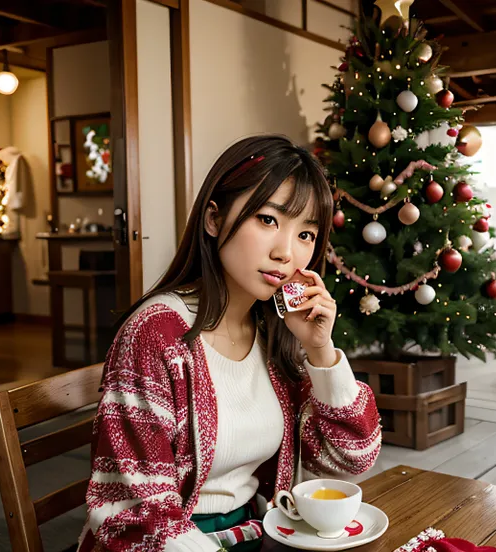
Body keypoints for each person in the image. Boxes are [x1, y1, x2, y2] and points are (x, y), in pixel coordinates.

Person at [78, 135, 382, 552]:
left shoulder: (274, 332)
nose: (286, 253)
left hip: (257, 536)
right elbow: (134, 514)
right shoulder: (156, 335)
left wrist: (320, 352)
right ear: (214, 219)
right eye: (269, 220)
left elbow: (350, 458)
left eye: (306, 234)